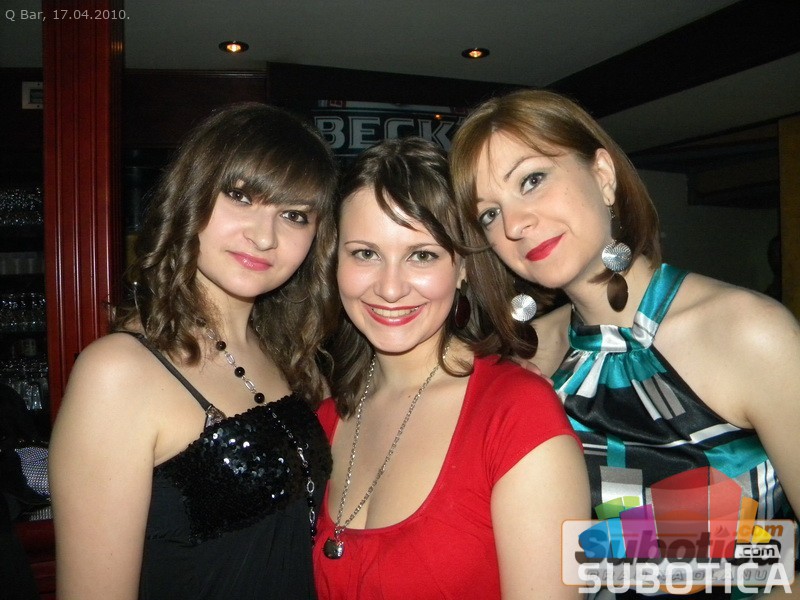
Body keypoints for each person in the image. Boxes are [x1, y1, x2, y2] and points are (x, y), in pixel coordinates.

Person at [450, 89, 800, 596]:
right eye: (489, 214)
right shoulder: (527, 358)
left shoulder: (749, 333)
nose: (515, 224)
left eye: (532, 180)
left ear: (603, 175)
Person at [49, 103, 338, 599]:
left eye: (293, 215)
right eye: (240, 196)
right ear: (191, 193)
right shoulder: (118, 372)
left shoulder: (290, 356)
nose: (263, 236)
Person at [312, 137, 588, 599]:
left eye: (422, 255)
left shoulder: (517, 413)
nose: (390, 288)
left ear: (462, 268)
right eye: (365, 253)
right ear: (334, 261)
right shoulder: (324, 418)